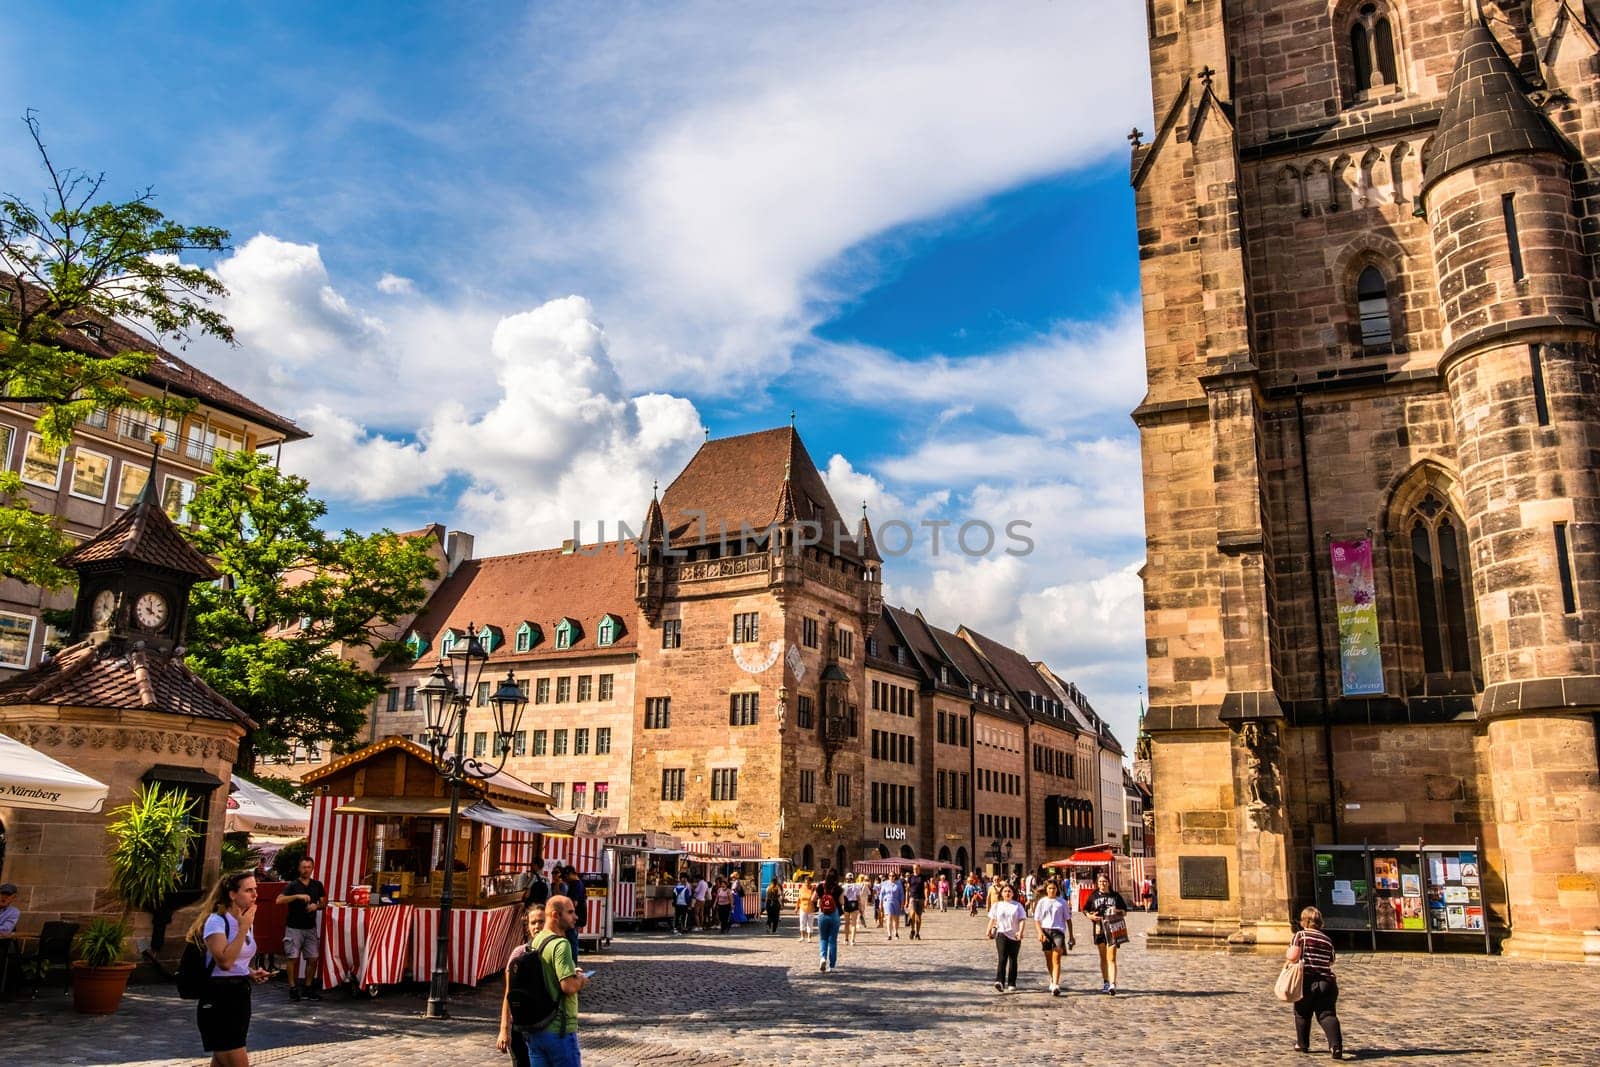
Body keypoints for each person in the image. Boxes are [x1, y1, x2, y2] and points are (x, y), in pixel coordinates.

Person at [187, 870, 272, 1067]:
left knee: (221, 1060)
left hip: (240, 995)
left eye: (255, 889)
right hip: (219, 998)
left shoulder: (244, 920)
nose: (255, 895)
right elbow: (224, 962)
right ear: (232, 894)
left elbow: (237, 959)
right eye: (248, 890)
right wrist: (243, 929)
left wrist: (249, 971)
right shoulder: (217, 921)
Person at [500, 894, 588, 1067]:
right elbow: (568, 986)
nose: (575, 917)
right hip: (559, 1030)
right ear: (556, 915)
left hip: (536, 1030)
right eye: (570, 912)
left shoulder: (535, 942)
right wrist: (581, 980)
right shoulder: (561, 944)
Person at [1288, 906, 1346, 1059]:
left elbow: (1293, 956)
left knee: (1302, 1012)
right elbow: (1331, 960)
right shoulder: (1327, 940)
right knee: (1327, 1014)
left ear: (1304, 921)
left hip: (1306, 980)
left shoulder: (1300, 936)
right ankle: (1335, 1045)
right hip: (1327, 982)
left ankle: (1302, 1044)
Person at [498, 902, 546, 1067]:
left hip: (545, 1026)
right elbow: (509, 993)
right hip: (520, 1026)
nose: (537, 926)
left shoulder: (553, 951)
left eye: (541, 921)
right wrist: (504, 1028)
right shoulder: (519, 953)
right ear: (527, 927)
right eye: (533, 922)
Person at [279, 855, 325, 1001]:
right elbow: (279, 900)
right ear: (299, 868)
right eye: (303, 867)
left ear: (312, 868)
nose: (306, 870)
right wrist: (297, 896)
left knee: (313, 958)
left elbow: (324, 902)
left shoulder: (317, 885)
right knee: (292, 957)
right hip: (294, 927)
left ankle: (307, 987)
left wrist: (316, 906)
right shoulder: (292, 885)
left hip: (310, 927)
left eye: (308, 867)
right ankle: (292, 988)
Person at [1082, 872, 1128, 995]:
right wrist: (1090, 915)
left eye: (1105, 881)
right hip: (1099, 928)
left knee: (1111, 957)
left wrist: (1117, 911)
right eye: (1100, 882)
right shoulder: (1094, 896)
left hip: (1113, 928)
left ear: (1109, 883)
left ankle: (1113, 983)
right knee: (1103, 957)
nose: (1103, 884)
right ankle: (1106, 981)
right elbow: (1085, 909)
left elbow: (1125, 911)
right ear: (1097, 883)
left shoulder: (1115, 896)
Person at [1032, 879, 1071, 996]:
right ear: (1046, 890)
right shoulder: (1042, 902)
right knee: (1049, 959)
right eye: (1049, 888)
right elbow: (1037, 919)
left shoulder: (1062, 902)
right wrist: (1040, 933)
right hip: (1046, 931)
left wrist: (1072, 936)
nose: (1052, 890)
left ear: (1057, 889)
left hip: (1058, 931)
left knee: (1057, 958)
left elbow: (1068, 919)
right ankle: (1052, 977)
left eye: (1054, 888)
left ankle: (1056, 984)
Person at [986, 883, 1027, 993]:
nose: (1007, 893)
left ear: (1013, 893)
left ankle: (1012, 982)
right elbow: (992, 919)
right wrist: (988, 930)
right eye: (1005, 891)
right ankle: (999, 981)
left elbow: (1022, 920)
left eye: (1009, 891)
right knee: (1002, 958)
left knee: (1013, 959)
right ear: (1001, 893)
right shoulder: (997, 905)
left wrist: (1020, 931)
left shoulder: (1018, 906)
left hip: (1014, 935)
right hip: (1001, 934)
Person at [814, 873, 843, 972]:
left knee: (823, 938)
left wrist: (820, 899)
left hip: (822, 914)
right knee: (832, 940)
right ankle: (832, 966)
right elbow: (842, 902)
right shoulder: (838, 888)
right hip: (834, 914)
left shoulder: (821, 886)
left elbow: (813, 898)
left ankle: (823, 958)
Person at [879, 870, 904, 940]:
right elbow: (881, 894)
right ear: (888, 876)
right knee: (889, 917)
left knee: (896, 919)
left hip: (896, 901)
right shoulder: (885, 883)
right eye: (890, 876)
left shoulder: (898, 884)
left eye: (893, 876)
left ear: (895, 877)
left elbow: (902, 894)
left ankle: (896, 932)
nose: (891, 877)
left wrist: (902, 903)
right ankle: (889, 934)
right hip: (887, 901)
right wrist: (880, 903)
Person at [841, 874, 865, 946]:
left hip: (846, 903)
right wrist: (860, 907)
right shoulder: (856, 886)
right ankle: (852, 940)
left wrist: (842, 905)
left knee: (847, 923)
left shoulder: (843, 886)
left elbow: (842, 897)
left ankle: (846, 939)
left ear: (846, 878)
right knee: (853, 923)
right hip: (854, 904)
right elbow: (858, 897)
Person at [906, 870, 925, 940]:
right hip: (912, 897)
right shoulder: (910, 877)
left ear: (919, 868)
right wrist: (906, 900)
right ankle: (912, 929)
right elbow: (907, 889)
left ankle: (917, 933)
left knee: (918, 917)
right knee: (912, 914)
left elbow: (925, 888)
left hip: (920, 898)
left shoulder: (922, 877)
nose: (916, 870)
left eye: (917, 868)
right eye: (914, 868)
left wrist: (926, 899)